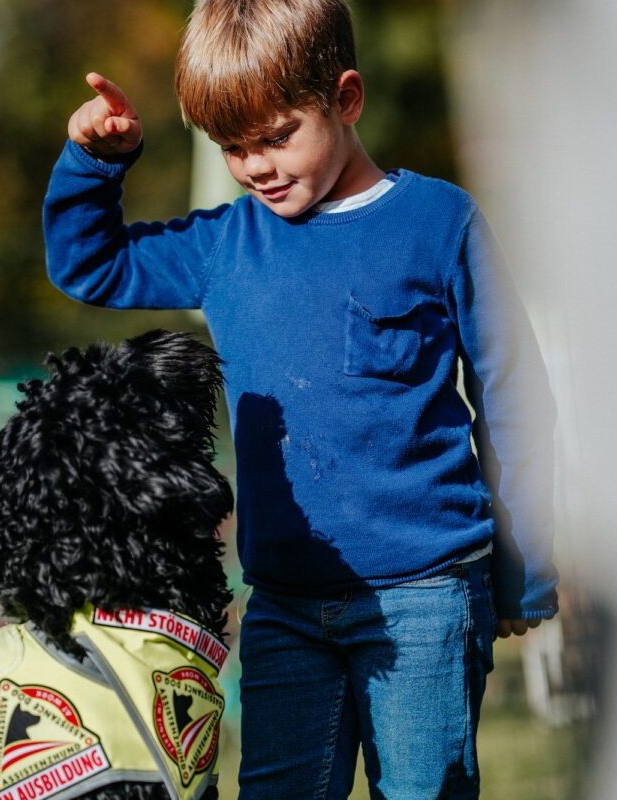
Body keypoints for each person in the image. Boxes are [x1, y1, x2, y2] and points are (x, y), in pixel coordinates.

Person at [42, 0, 558, 796]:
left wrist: (521, 569)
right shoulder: (226, 244)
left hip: (425, 599)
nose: (257, 166)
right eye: (234, 147)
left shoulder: (439, 222)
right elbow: (92, 266)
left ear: (345, 99)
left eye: (276, 136)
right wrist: (94, 163)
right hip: (281, 606)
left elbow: (514, 397)